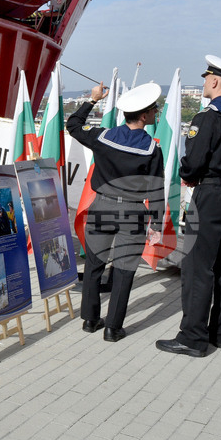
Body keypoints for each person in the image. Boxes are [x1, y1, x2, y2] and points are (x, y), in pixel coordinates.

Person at [157, 55, 221, 356]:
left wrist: (189, 175)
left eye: (205, 79)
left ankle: (192, 337)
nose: (203, 84)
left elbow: (193, 162)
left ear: (214, 81)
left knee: (197, 266)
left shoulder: (208, 117)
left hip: (211, 193)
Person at [67, 81, 165, 342]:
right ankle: (112, 328)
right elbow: (156, 189)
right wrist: (157, 223)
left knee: (94, 264)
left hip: (102, 206)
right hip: (133, 212)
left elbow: (73, 125)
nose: (156, 113)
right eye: (154, 110)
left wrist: (92, 99)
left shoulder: (103, 137)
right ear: (143, 116)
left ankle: (90, 320)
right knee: (124, 269)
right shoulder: (152, 149)